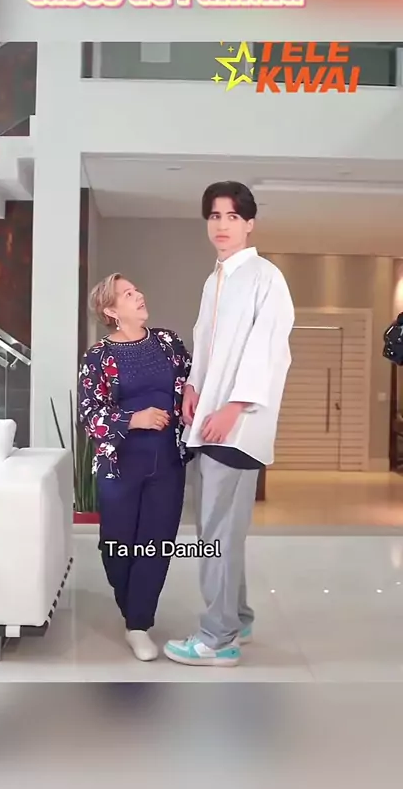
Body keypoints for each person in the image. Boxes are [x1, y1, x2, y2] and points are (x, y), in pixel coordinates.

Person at [164, 181, 295, 667]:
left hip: (236, 425)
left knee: (216, 533)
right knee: (223, 530)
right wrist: (193, 387)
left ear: (249, 223)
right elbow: (206, 343)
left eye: (232, 216)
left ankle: (218, 639)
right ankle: (237, 617)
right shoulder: (215, 280)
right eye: (214, 216)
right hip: (210, 418)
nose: (222, 225)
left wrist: (233, 407)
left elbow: (268, 351)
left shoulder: (265, 277)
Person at [78, 274, 192, 662]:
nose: (138, 294)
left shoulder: (168, 342)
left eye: (136, 290)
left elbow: (192, 380)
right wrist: (134, 419)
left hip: (167, 461)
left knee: (157, 544)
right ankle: (132, 607)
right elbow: (89, 415)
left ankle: (138, 624)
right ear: (111, 310)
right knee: (116, 544)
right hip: (120, 465)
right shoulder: (98, 356)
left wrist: (193, 396)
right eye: (127, 294)